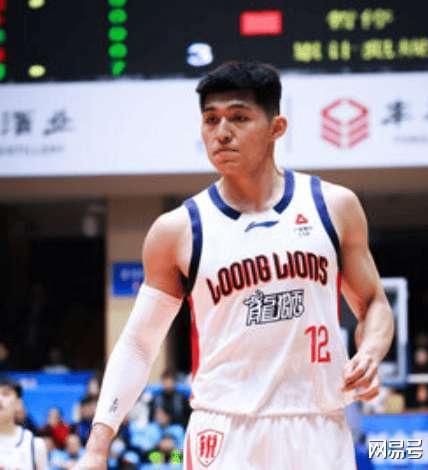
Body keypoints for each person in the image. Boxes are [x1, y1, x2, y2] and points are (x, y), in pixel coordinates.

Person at [76, 61, 394, 469]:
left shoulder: (332, 206)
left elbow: (373, 303)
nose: (222, 132)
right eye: (211, 119)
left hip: (317, 422)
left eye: (239, 117)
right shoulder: (178, 230)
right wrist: (97, 445)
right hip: (223, 427)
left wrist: (370, 352)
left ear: (277, 128)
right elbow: (139, 343)